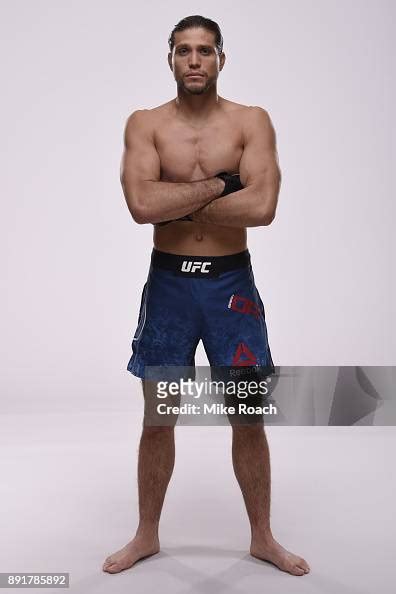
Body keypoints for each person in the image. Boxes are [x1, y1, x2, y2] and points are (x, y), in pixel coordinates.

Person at [103, 15, 310, 577]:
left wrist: (177, 199)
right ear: (169, 58)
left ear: (222, 59)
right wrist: (221, 185)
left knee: (248, 417)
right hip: (170, 286)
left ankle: (262, 537)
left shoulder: (251, 121)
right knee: (158, 418)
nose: (195, 61)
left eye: (206, 52)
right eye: (184, 51)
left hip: (230, 288)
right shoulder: (145, 124)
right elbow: (141, 206)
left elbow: (263, 208)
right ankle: (146, 534)